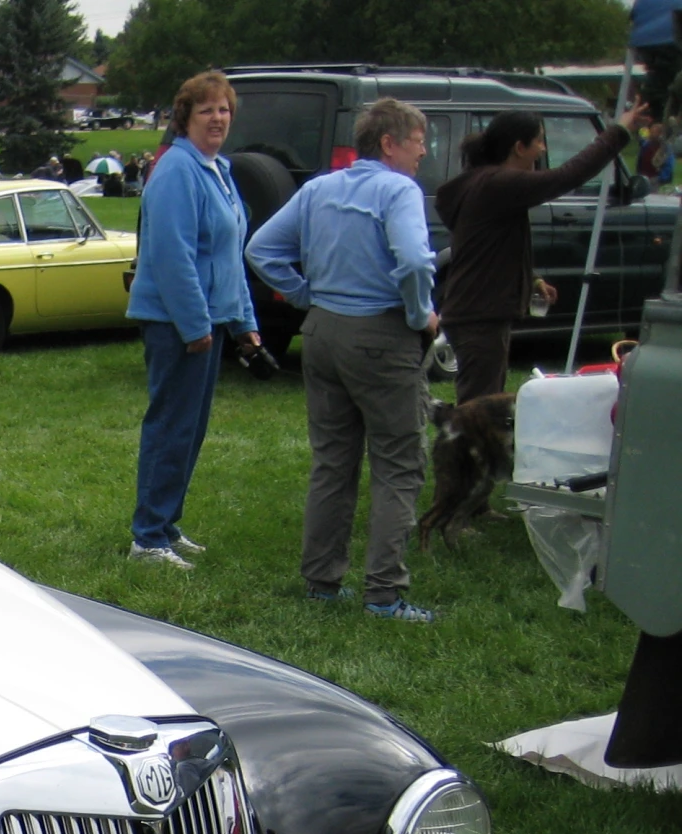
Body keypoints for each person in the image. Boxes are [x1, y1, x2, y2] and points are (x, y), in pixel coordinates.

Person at [249, 98, 441, 621]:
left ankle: (321, 583)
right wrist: (421, 312)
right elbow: (414, 259)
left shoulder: (318, 188)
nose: (424, 150)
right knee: (399, 465)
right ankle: (384, 594)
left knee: (333, 462)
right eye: (418, 140)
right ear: (389, 142)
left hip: (323, 333)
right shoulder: (399, 190)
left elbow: (261, 250)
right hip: (381, 334)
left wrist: (306, 293)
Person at [122, 72, 261, 568]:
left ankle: (166, 522)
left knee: (191, 429)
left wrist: (243, 320)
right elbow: (172, 255)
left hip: (210, 321)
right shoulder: (177, 170)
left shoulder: (217, 169)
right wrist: (195, 324)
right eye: (207, 110)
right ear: (186, 118)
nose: (218, 118)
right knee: (171, 426)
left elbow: (228, 252)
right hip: (176, 323)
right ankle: (148, 538)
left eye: (224, 109)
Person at [435, 97, 647, 403]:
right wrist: (619, 131)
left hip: (475, 312)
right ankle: (467, 450)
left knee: (485, 403)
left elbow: (487, 248)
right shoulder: (499, 184)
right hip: (480, 316)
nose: (543, 149)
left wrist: (531, 279)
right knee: (479, 408)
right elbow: (569, 175)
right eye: (539, 141)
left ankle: (477, 448)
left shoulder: (483, 184)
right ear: (519, 148)